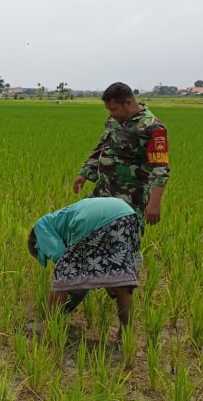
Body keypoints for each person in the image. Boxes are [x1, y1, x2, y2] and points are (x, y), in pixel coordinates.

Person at [28, 197, 141, 333]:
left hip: (93, 219)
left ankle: (50, 326)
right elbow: (82, 279)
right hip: (127, 215)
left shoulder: (41, 227)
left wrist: (64, 286)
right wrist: (69, 304)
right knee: (122, 282)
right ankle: (125, 334)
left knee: (62, 273)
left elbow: (59, 255)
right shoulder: (60, 219)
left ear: (37, 244)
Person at [73, 82, 170, 228]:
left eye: (114, 109)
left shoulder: (152, 127)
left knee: (123, 240)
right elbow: (102, 146)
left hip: (129, 198)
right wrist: (84, 173)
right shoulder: (114, 121)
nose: (111, 114)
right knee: (87, 231)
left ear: (128, 103)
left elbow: (160, 168)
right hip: (103, 191)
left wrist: (154, 204)